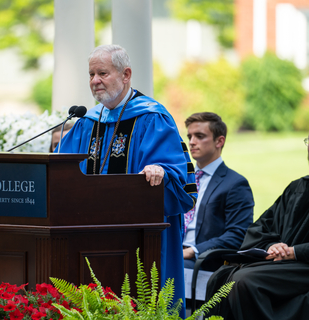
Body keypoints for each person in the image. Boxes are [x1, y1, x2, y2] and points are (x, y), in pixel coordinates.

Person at [57, 44, 196, 311]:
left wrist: (161, 173)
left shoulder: (152, 117)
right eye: (91, 74)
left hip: (138, 238)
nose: (95, 81)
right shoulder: (88, 121)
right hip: (88, 233)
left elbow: (180, 181)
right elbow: (60, 171)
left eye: (102, 73)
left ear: (126, 74)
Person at [205, 135, 309, 319]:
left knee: (244, 280)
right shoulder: (298, 187)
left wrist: (294, 251)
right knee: (222, 276)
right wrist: (271, 245)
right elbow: (262, 227)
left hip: (303, 264)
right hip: (283, 264)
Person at [183, 112, 254, 269]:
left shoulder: (236, 184)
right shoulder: (183, 180)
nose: (192, 142)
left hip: (203, 260)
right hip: (174, 251)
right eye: (190, 137)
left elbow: (237, 235)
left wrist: (192, 251)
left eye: (199, 136)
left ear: (219, 141)